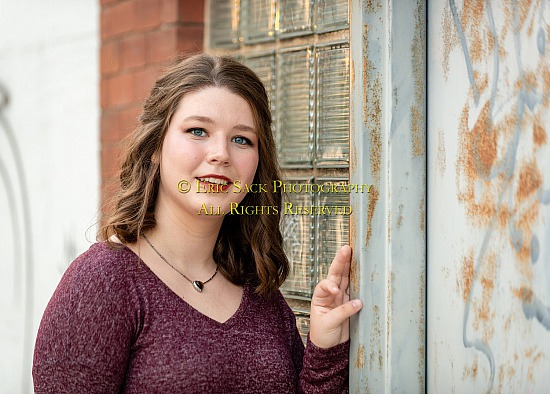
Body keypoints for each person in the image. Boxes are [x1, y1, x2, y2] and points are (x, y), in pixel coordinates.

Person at [32, 53, 363, 393]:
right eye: (198, 131)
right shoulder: (102, 281)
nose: (220, 153)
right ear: (154, 147)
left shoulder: (261, 294)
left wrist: (324, 350)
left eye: (241, 139)